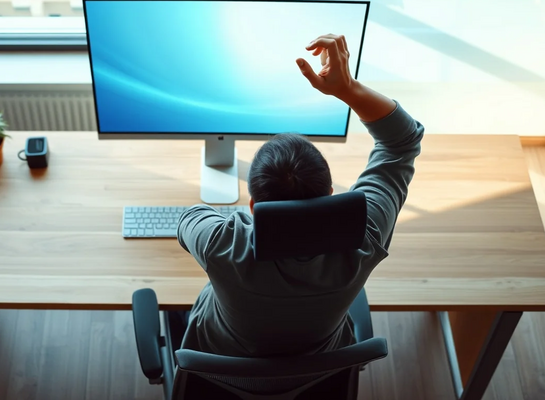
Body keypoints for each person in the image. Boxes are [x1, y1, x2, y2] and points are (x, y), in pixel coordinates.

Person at [174, 34, 424, 357]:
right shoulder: (364, 236)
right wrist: (347, 89)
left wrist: (241, 224)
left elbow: (188, 220)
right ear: (330, 195)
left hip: (222, 368)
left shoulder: (223, 245)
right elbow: (401, 142)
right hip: (316, 379)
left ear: (253, 207)